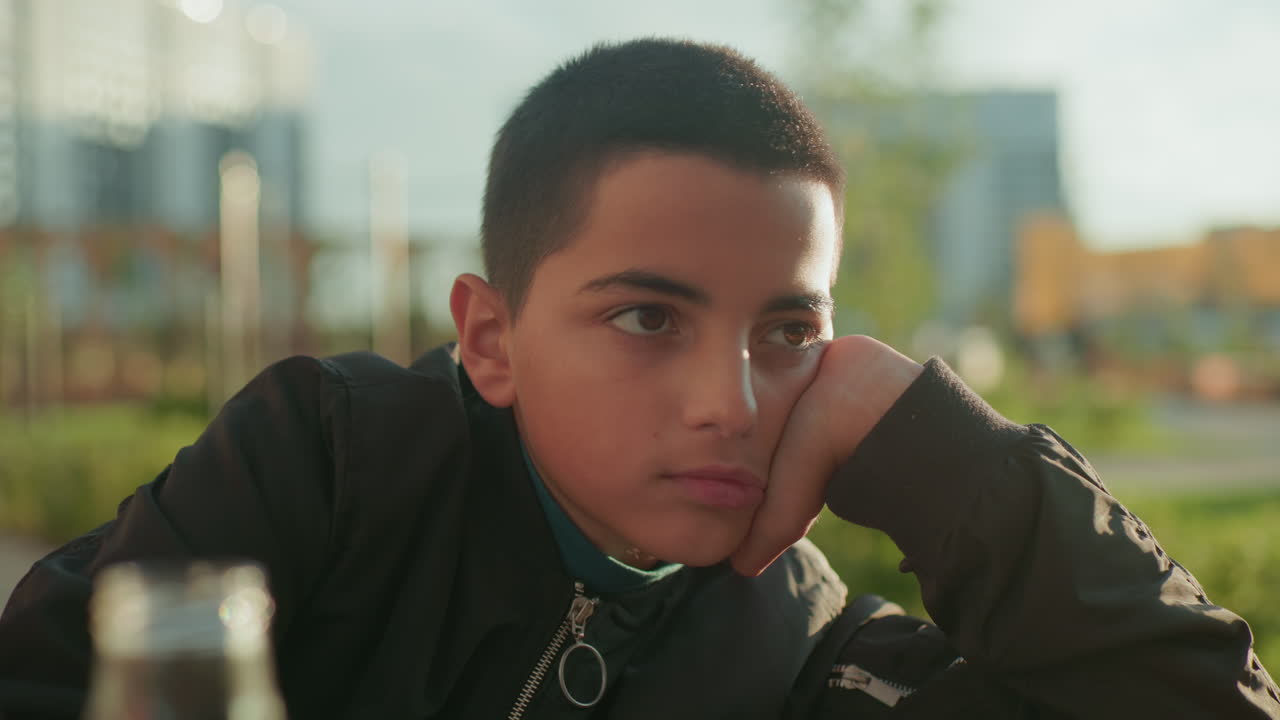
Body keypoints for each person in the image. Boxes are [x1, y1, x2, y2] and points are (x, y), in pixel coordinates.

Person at [1, 38, 1277, 720]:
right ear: (489, 341)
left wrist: (946, 459)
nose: (729, 399)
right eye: (647, 317)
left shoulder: (808, 649)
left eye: (787, 331)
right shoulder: (325, 464)